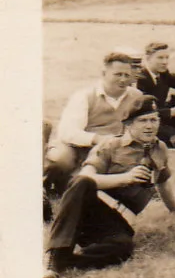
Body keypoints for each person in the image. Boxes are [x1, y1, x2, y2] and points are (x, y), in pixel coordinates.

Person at [44, 97, 175, 278]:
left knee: (122, 248)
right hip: (91, 209)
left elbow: (163, 180)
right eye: (143, 121)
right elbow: (86, 178)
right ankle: (55, 258)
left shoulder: (160, 148)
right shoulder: (110, 145)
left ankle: (71, 262)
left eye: (154, 120)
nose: (150, 126)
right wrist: (125, 178)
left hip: (118, 220)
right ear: (128, 124)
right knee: (82, 182)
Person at [44, 52, 143, 196]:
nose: (123, 79)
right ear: (104, 73)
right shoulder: (85, 95)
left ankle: (80, 184)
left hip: (113, 151)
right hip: (79, 148)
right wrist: (98, 139)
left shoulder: (137, 96)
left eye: (127, 75)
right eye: (118, 74)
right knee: (59, 159)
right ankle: (50, 186)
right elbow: (67, 132)